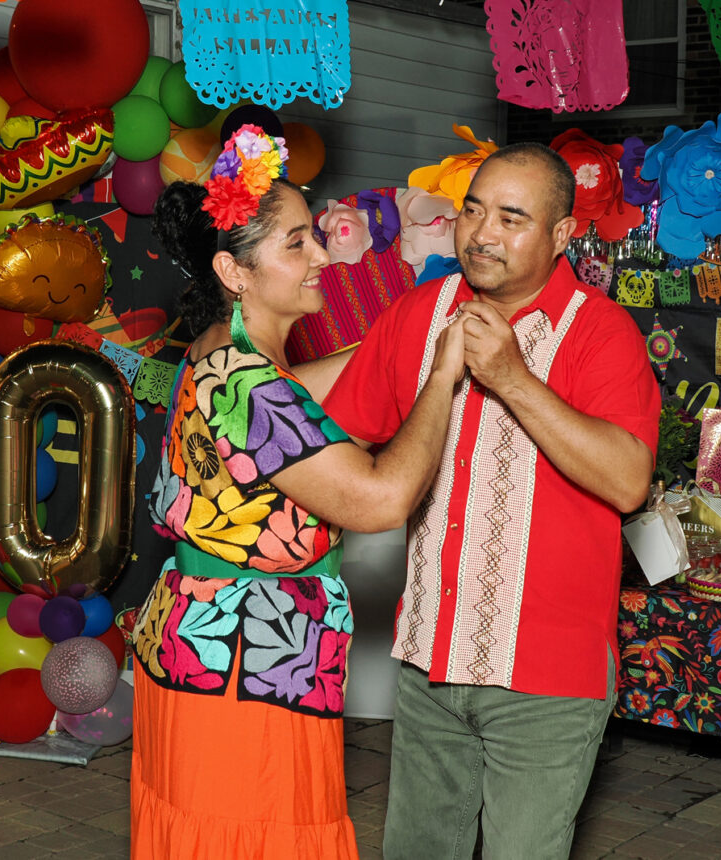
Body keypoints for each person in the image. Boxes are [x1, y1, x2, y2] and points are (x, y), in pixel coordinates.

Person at [129, 126, 467, 860]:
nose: (321, 255)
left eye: (314, 235)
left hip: (204, 647)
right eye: (295, 243)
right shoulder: (252, 387)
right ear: (234, 270)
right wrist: (442, 376)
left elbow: (305, 394)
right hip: (245, 666)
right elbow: (379, 501)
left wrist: (405, 336)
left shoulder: (220, 353)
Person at [322, 142, 661, 859]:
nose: (482, 234)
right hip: (428, 662)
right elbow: (338, 440)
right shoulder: (421, 314)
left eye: (512, 218)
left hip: (547, 680)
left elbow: (629, 480)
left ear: (561, 234)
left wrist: (511, 377)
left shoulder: (601, 332)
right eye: (474, 211)